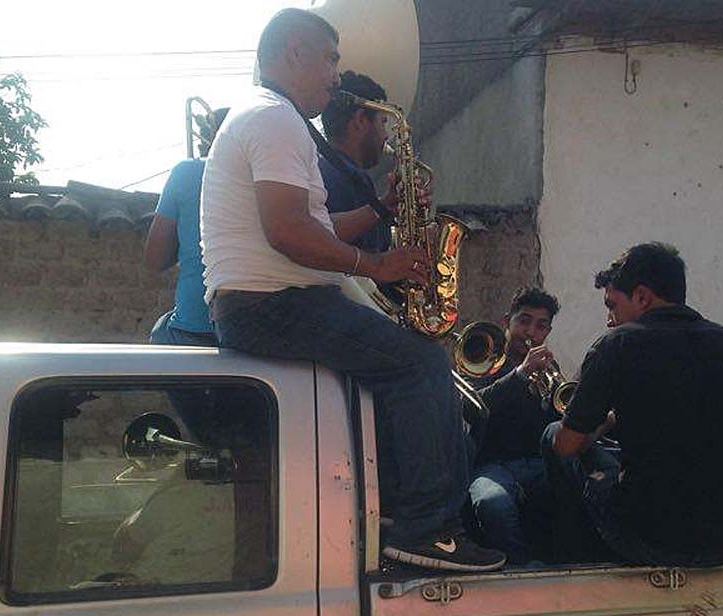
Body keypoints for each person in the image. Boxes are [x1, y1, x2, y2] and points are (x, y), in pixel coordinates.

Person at [199, 8, 504, 572]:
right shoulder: (276, 120)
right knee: (419, 365)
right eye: (331, 58)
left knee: (400, 362)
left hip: (265, 301)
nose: (337, 75)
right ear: (294, 52)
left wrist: (382, 210)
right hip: (273, 303)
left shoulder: (268, 117)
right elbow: (288, 232)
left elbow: (312, 226)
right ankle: (430, 529)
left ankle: (392, 512)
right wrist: (379, 264)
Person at [542, 242, 723, 566]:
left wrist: (605, 422)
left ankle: (569, 561)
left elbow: (566, 445)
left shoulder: (615, 346)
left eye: (613, 305)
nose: (610, 319)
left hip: (649, 537)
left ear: (643, 296)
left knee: (552, 433)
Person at [467, 287, 561, 564]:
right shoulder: (480, 355)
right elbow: (474, 407)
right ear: (507, 320)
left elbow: (554, 423)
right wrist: (520, 374)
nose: (530, 332)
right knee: (491, 503)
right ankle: (522, 564)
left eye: (541, 326)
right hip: (490, 463)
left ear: (547, 332)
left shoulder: (548, 366)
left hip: (534, 462)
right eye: (524, 321)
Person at [143, 107, 230, 346]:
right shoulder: (276, 180)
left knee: (162, 330)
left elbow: (155, 259)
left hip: (195, 325)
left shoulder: (187, 173)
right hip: (257, 327)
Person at [318, 70, 397, 254]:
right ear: (360, 120)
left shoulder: (334, 172)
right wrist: (382, 206)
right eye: (383, 122)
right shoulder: (336, 178)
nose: (386, 135)